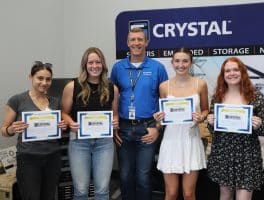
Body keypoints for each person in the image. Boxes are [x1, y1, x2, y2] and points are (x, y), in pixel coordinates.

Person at [110, 27, 168, 200]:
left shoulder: (158, 68)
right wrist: (114, 128)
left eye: (140, 39)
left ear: (146, 42)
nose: (136, 43)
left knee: (143, 177)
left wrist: (158, 128)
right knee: (126, 177)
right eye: (133, 40)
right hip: (124, 129)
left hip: (147, 128)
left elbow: (165, 102)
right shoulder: (118, 68)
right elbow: (112, 98)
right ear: (127, 43)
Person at [1, 61, 67, 200]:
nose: (44, 82)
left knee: (49, 196)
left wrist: (62, 128)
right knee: (31, 196)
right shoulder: (17, 100)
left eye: (48, 79)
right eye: (40, 78)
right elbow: (4, 130)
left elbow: (58, 132)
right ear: (31, 77)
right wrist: (12, 128)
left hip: (53, 157)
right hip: (28, 159)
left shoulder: (55, 102)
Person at [206, 57, 264, 200]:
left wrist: (259, 124)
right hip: (223, 153)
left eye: (235, 69)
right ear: (223, 75)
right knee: (225, 196)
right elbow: (212, 130)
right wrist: (210, 122)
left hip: (247, 155)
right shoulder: (217, 97)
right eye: (227, 70)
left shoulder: (256, 97)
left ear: (242, 72)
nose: (231, 73)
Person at [61, 47, 119, 199]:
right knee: (80, 189)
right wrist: (71, 123)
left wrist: (115, 122)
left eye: (98, 62)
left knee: (102, 189)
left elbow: (115, 115)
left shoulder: (112, 88)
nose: (95, 66)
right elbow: (64, 113)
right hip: (79, 142)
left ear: (103, 65)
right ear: (85, 65)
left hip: (104, 143)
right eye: (90, 62)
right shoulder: (72, 86)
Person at [153, 48, 208, 200]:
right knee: (170, 194)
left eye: (185, 61)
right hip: (171, 142)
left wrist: (201, 117)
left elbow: (205, 110)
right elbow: (162, 120)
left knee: (189, 194)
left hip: (191, 141)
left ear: (191, 63)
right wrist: (158, 119)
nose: (181, 65)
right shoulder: (164, 86)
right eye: (177, 61)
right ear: (172, 63)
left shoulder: (200, 84)